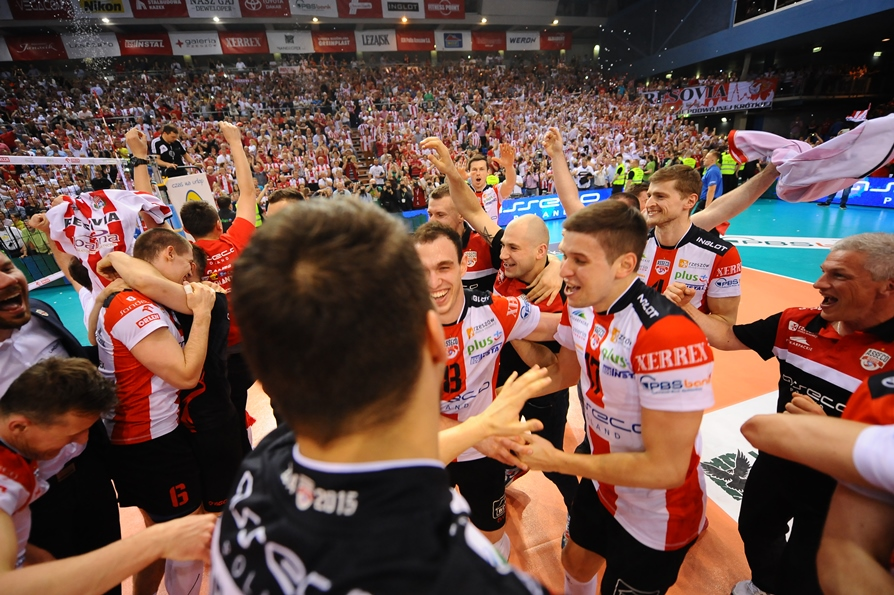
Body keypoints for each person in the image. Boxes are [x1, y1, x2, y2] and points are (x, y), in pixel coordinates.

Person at [214, 198, 547, 594]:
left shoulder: (259, 469)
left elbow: (387, 463)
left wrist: (477, 431)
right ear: (433, 342)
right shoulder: (467, 574)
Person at [665, 232, 894, 595]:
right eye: (823, 271)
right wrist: (687, 309)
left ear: (887, 286)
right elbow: (726, 337)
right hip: (780, 462)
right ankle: (765, 584)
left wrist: (832, 433)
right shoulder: (796, 323)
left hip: (844, 486)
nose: (819, 283)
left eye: (839, 275)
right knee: (755, 526)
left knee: (809, 565)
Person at [516, 199, 715, 595]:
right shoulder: (582, 305)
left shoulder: (668, 336)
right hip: (601, 477)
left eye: (579, 260)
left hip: (658, 511)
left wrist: (557, 460)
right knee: (575, 561)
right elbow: (567, 372)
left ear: (625, 265)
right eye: (563, 255)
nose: (562, 270)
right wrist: (504, 401)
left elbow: (667, 469)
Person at [0, 357, 217, 595]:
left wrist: (32, 554)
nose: (81, 442)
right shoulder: (4, 479)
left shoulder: (17, 453)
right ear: (19, 427)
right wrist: (158, 540)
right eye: (72, 435)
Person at [96, 228, 216, 595]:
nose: (190, 275)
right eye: (187, 264)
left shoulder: (129, 297)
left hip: (141, 438)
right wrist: (203, 314)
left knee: (160, 536)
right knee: (187, 534)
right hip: (150, 441)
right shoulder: (136, 306)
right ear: (168, 254)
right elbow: (185, 374)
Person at [0, 252, 122, 589]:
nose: (8, 280)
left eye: (7, 267)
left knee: (107, 575)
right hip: (29, 504)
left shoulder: (40, 314)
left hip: (89, 475)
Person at [739, 369, 894, 595]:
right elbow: (758, 429)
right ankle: (766, 585)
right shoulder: (883, 392)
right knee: (757, 526)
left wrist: (825, 426)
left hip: (832, 476)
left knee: (806, 561)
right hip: (796, 460)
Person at [178, 121, 258, 456]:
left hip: (215, 355)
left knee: (228, 414)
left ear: (186, 231)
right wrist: (235, 143)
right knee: (240, 405)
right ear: (218, 223)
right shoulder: (236, 239)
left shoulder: (185, 260)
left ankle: (239, 464)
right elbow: (248, 193)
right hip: (252, 350)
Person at [467, 146, 516, 223]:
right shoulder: (463, 193)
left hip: (492, 230)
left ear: (488, 172)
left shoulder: (495, 191)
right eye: (474, 169)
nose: (478, 173)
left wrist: (509, 167)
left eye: (481, 169)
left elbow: (510, 184)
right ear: (469, 172)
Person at [693, 149, 723, 214]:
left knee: (696, 218)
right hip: (707, 199)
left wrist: (707, 206)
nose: (704, 159)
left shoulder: (713, 171)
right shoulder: (711, 170)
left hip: (708, 200)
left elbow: (711, 189)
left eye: (706, 158)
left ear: (712, 160)